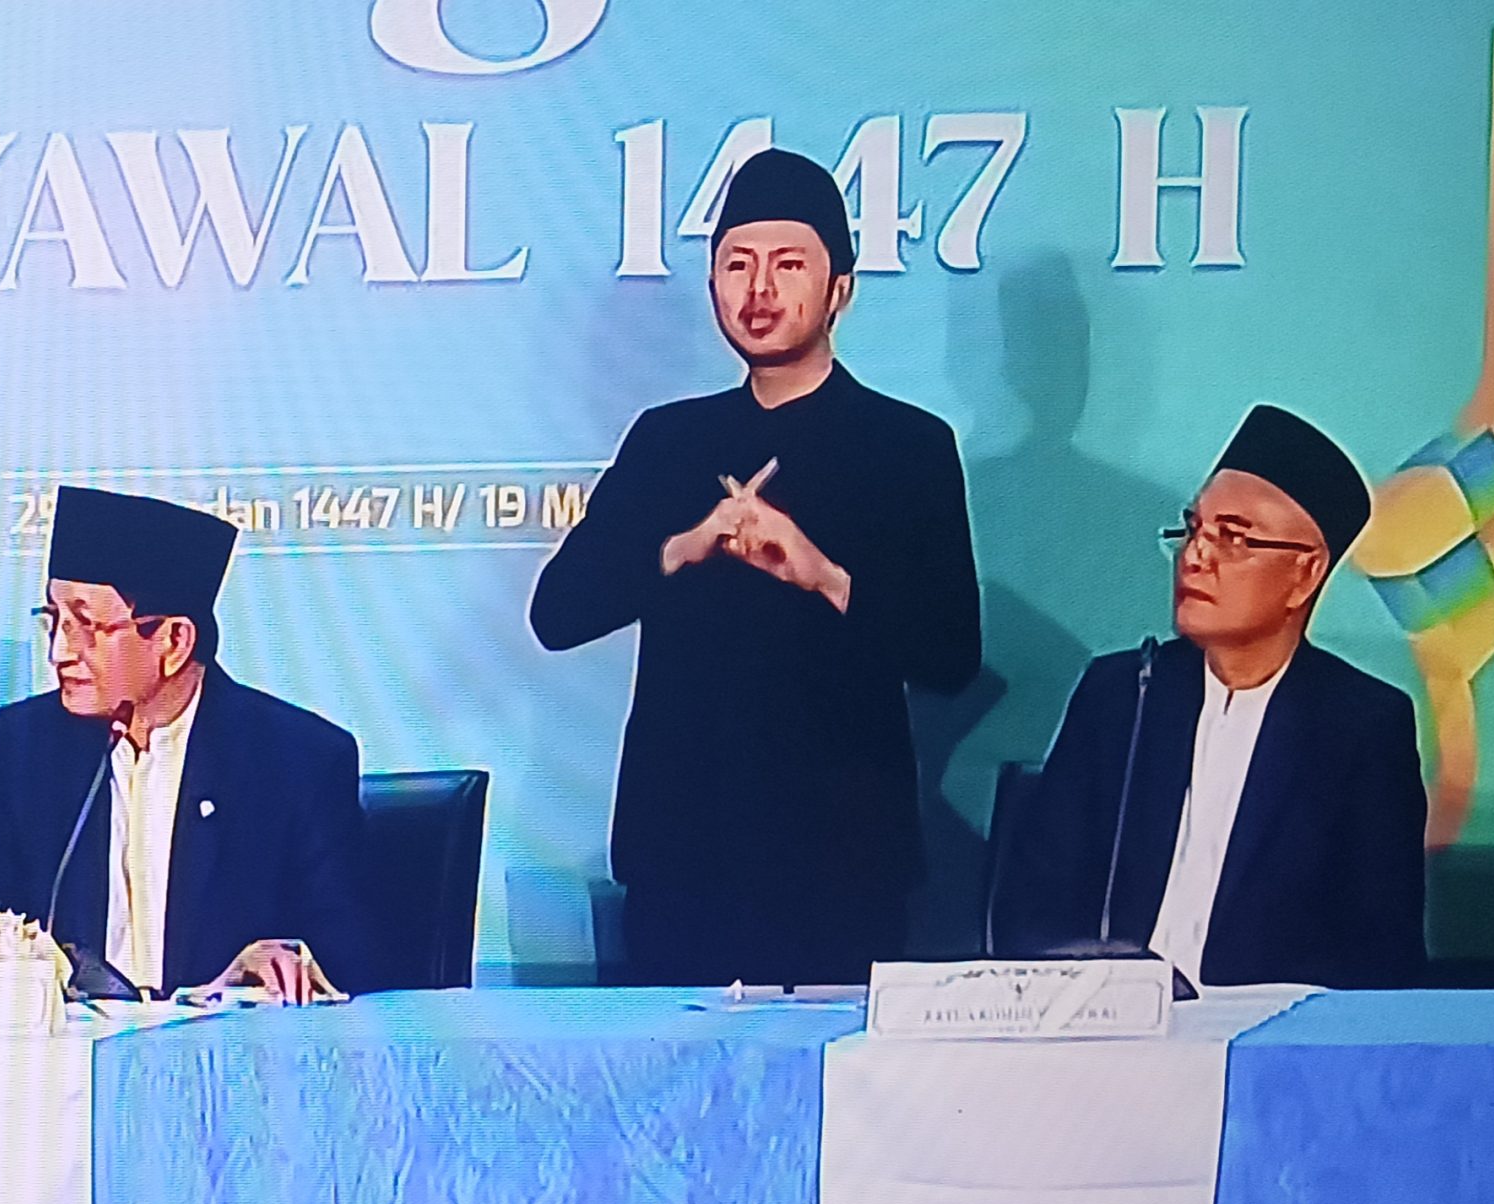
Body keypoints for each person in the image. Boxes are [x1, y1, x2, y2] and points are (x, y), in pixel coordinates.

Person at [528, 147, 980, 987]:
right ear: (712, 287)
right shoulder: (667, 441)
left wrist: (822, 575)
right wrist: (682, 547)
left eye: (788, 265)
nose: (759, 290)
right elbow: (556, 614)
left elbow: (951, 656)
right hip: (681, 863)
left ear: (840, 290)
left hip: (844, 867)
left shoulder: (907, 447)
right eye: (737, 265)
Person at [997, 405, 1428, 990]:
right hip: (1109, 1021)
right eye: (1193, 529)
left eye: (1232, 537)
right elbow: (1034, 902)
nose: (1195, 556)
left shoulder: (1361, 724)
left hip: (1271, 1029)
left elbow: (1380, 949)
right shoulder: (1125, 695)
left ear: (1305, 574)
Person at [0, 487, 375, 1002]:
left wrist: (277, 962)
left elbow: (351, 958)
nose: (59, 652)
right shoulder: (27, 744)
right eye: (54, 621)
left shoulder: (295, 761)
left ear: (173, 641)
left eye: (87, 626)